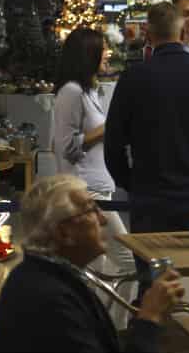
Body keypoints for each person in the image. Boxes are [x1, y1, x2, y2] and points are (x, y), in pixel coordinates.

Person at [104, 1, 189, 314]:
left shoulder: (134, 78)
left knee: (152, 288)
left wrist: (131, 183)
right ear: (181, 29)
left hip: (150, 198)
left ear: (147, 32)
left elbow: (113, 144)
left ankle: (153, 342)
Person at [0, 175, 184, 353]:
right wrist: (150, 317)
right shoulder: (49, 301)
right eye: (91, 209)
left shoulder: (48, 276)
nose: (104, 218)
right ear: (64, 233)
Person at [53, 28, 136, 289]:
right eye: (103, 48)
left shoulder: (87, 92)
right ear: (88, 54)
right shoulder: (72, 92)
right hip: (86, 193)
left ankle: (102, 323)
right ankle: (121, 325)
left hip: (99, 190)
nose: (108, 53)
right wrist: (109, 127)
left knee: (96, 270)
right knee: (131, 262)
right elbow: (66, 146)